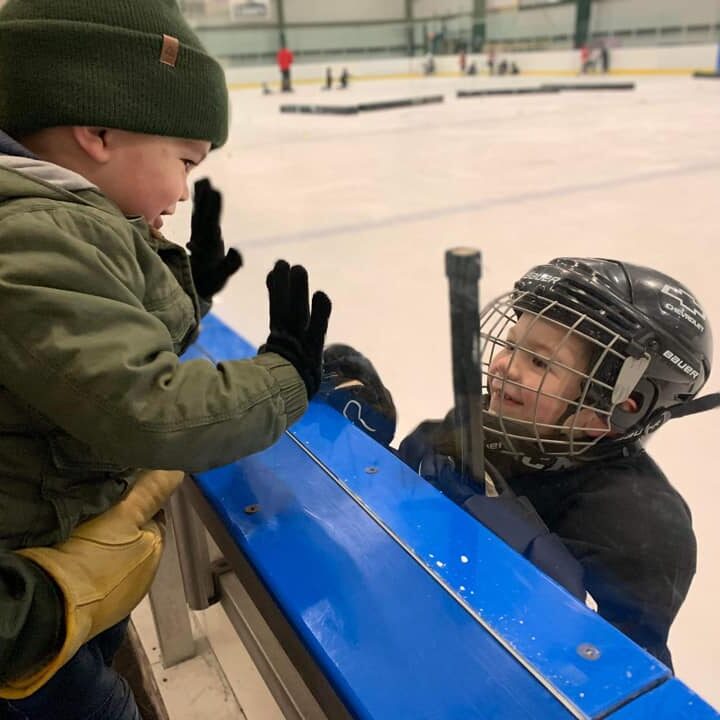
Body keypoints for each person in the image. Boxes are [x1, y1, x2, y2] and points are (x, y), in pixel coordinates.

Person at [0, 1, 331, 718]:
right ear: (96, 130)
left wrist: (189, 296)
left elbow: (84, 357)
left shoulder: (57, 220)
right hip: (27, 574)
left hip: (52, 548)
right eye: (183, 161)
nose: (184, 192)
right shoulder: (30, 231)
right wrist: (282, 378)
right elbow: (148, 407)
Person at [323, 258, 716, 671]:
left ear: (622, 407)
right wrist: (357, 447)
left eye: (541, 362)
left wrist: (526, 589)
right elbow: (394, 524)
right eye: (512, 346)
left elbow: (626, 683)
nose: (504, 366)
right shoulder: (475, 432)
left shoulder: (642, 528)